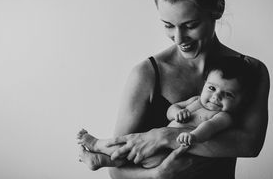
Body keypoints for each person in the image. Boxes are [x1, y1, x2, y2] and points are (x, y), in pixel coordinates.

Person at [78, 0, 269, 179]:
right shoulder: (147, 74)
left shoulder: (250, 72)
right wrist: (157, 176)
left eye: (190, 24)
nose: (179, 39)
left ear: (218, 9)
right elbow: (117, 169)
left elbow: (249, 144)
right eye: (168, 25)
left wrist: (166, 136)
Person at [77, 56, 256, 169]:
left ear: (239, 101)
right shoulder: (194, 101)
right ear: (204, 85)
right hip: (154, 145)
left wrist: (193, 137)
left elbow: (209, 128)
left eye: (228, 95)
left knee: (129, 152)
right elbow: (170, 109)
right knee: (127, 147)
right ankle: (100, 154)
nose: (216, 97)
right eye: (211, 88)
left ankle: (99, 148)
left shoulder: (223, 116)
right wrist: (176, 112)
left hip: (168, 156)